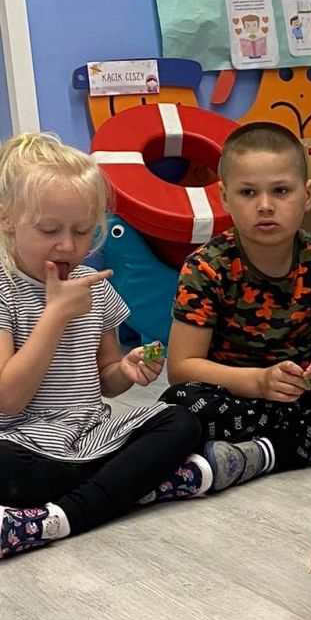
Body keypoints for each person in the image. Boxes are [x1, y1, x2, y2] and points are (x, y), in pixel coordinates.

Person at [0, 133, 211, 560]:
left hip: (91, 435)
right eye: (49, 230)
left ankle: (60, 516)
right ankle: (136, 486)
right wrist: (55, 315)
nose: (67, 245)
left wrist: (127, 370)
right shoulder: (5, 289)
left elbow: (108, 381)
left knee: (182, 420)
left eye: (82, 231)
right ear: (7, 219)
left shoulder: (95, 288)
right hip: (22, 443)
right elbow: (8, 399)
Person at [162, 122, 311, 480]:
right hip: (236, 399)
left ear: (308, 195)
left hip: (306, 395)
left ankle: (261, 453)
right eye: (248, 192)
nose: (265, 206)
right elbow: (181, 368)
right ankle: (294, 445)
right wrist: (260, 382)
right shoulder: (205, 266)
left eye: (281, 191)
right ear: (225, 197)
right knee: (180, 405)